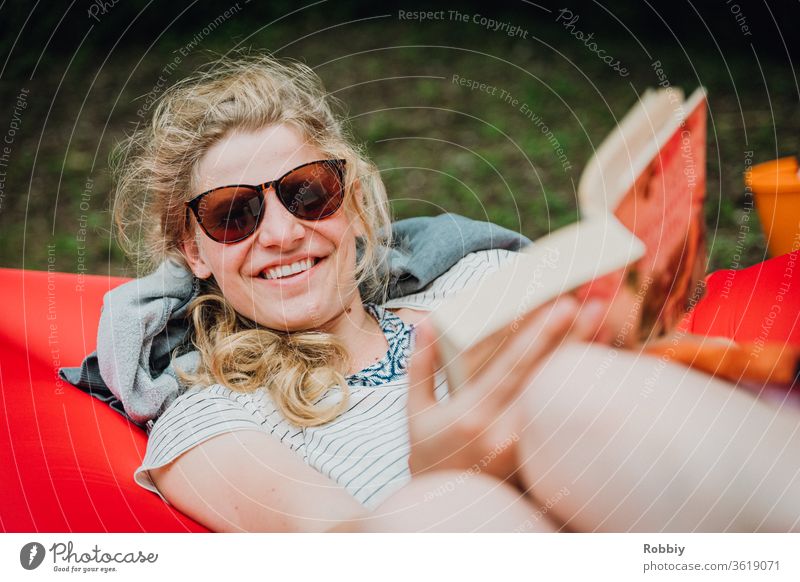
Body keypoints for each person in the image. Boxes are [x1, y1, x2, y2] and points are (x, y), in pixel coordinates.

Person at [114, 50, 800, 532]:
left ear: (349, 203)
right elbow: (335, 545)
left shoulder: (475, 281)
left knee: (575, 393)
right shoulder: (212, 417)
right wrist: (446, 469)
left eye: (307, 193)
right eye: (234, 213)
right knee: (439, 513)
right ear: (192, 249)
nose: (283, 232)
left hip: (658, 508)